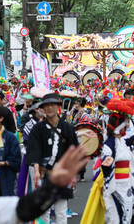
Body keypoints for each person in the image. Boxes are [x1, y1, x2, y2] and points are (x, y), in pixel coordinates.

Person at [25, 93, 79, 224]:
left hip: (62, 175)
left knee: (61, 212)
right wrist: (36, 171)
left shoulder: (67, 127)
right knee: (44, 212)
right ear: (42, 108)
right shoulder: (38, 128)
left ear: (58, 107)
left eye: (53, 105)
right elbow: (34, 149)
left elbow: (73, 150)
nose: (50, 108)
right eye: (46, 105)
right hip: (44, 174)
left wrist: (73, 174)